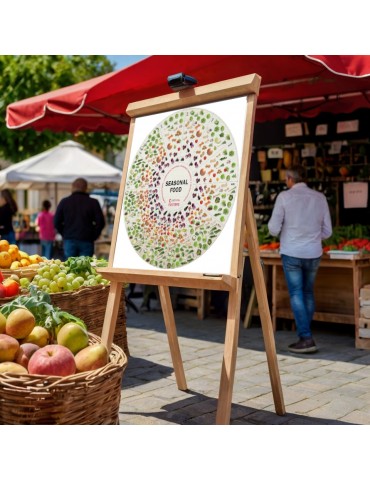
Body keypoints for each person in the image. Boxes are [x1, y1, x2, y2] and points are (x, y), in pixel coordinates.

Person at [268, 165, 332, 354]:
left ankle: (305, 337)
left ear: (290, 179)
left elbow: (273, 228)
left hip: (292, 252)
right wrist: (311, 235)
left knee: (296, 293)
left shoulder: (284, 197)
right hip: (313, 252)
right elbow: (328, 231)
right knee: (308, 292)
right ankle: (306, 334)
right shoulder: (319, 198)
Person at [54, 177, 105, 259]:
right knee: (85, 268)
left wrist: (65, 234)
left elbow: (56, 221)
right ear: (86, 188)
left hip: (69, 239)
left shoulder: (65, 202)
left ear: (72, 187)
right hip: (87, 239)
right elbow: (101, 222)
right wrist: (94, 235)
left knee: (70, 267)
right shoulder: (93, 202)